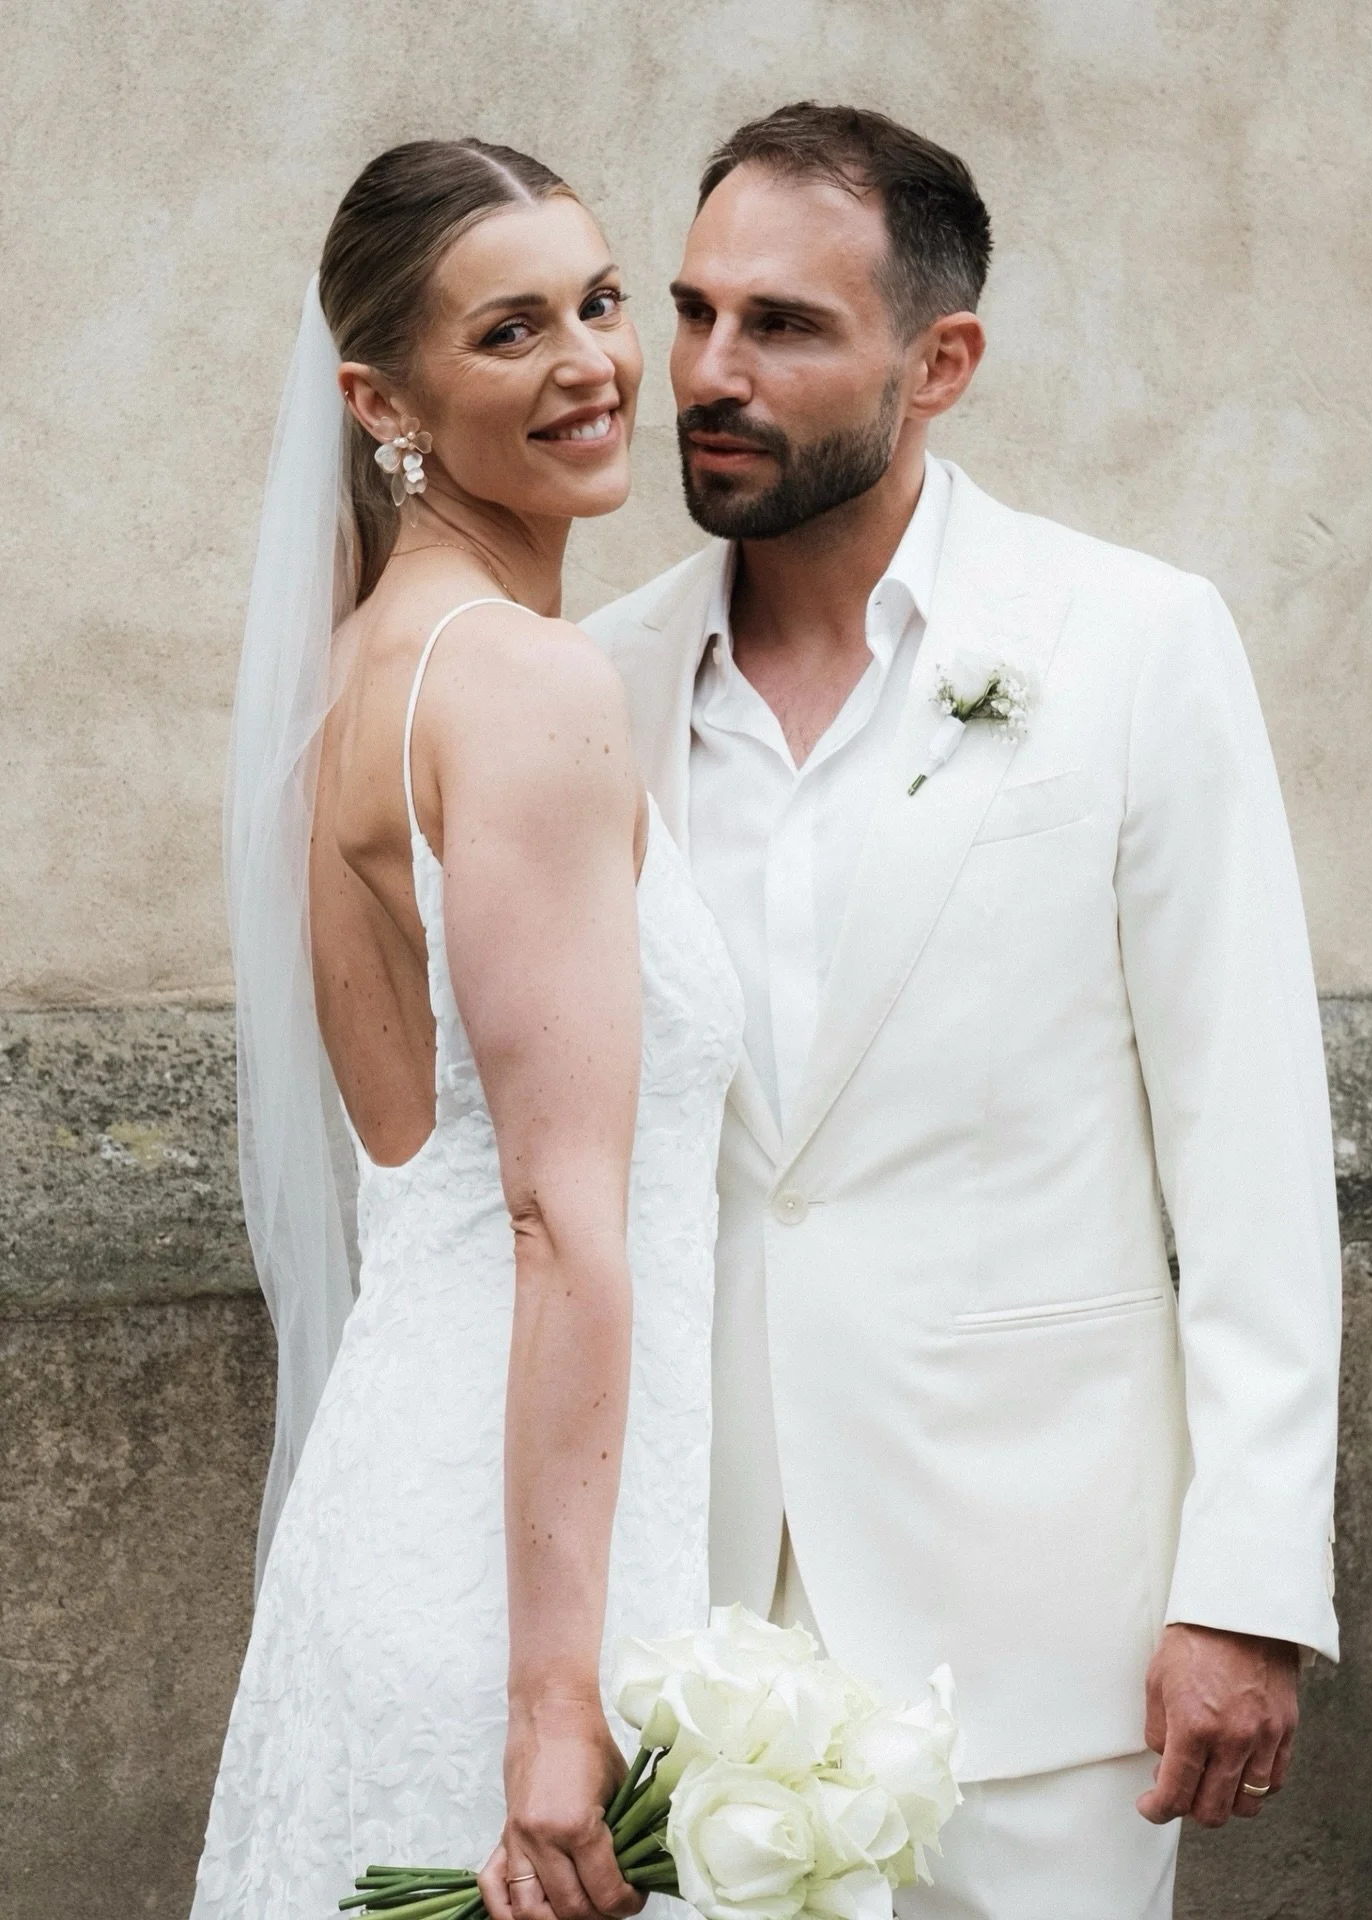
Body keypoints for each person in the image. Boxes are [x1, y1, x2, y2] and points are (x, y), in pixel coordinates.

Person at [584, 102, 1342, 1920]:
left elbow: (1248, 1148)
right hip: (679, 1639)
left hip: (1042, 1645)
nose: (708, 371)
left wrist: (1243, 1587)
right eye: (692, 314)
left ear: (941, 363)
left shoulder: (1135, 645)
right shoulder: (590, 688)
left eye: (783, 326)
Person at [193, 139, 741, 1920]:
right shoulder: (516, 682)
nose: (591, 363)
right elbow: (557, 1215)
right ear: (382, 400)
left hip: (399, 1499)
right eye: (510, 332)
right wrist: (558, 1703)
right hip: (529, 1565)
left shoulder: (355, 674)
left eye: (598, 301)